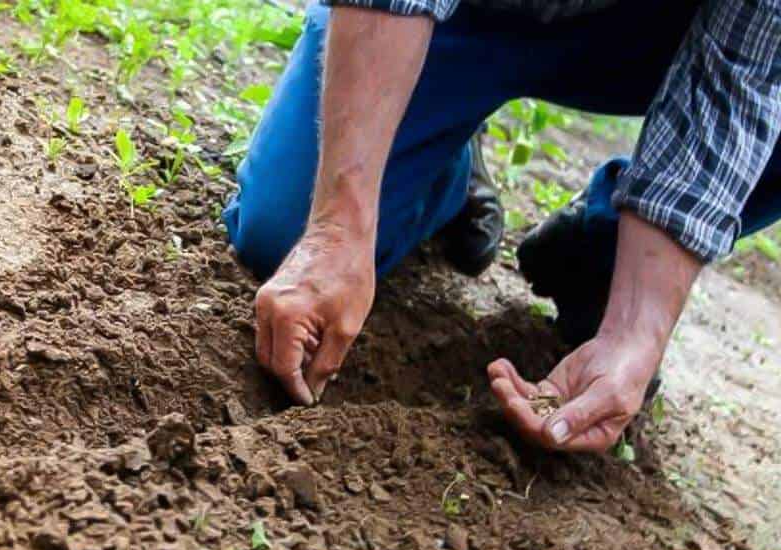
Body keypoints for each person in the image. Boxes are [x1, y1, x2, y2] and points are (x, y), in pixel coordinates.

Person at [222, 0, 780, 452]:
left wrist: (635, 332)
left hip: (649, 32)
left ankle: (604, 254)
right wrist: (338, 229)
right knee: (285, 232)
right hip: (461, 16)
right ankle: (444, 169)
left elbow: (743, 74)